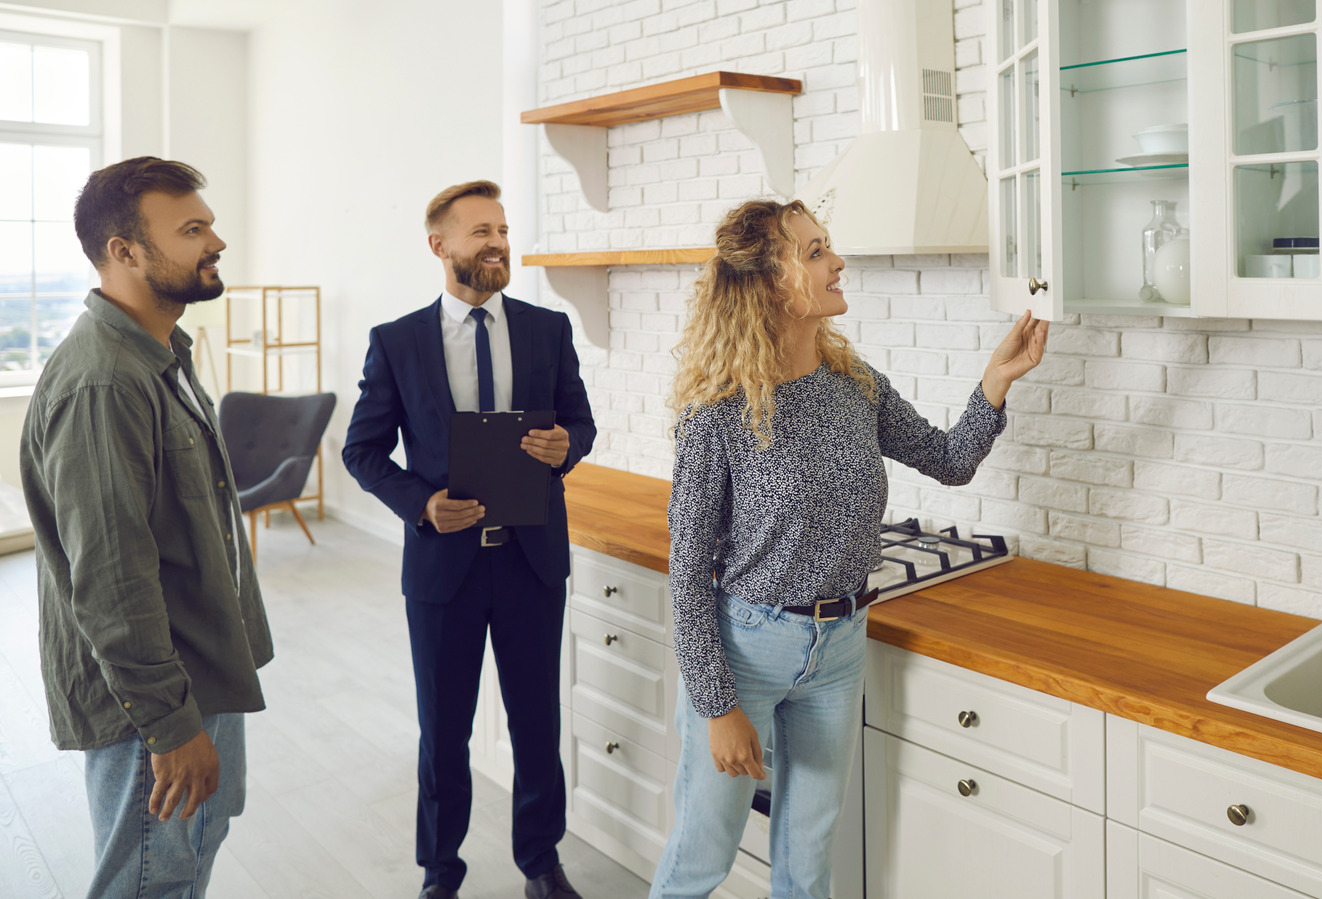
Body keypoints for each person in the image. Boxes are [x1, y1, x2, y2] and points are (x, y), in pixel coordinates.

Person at [650, 199, 1048, 899]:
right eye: (814, 252)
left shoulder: (854, 383)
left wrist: (995, 383)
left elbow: (949, 459)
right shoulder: (717, 411)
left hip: (840, 646)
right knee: (700, 856)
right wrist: (717, 706)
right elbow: (685, 576)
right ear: (771, 283)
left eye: (828, 247)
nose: (837, 263)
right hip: (746, 649)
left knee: (806, 863)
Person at [20, 156, 273, 897]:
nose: (216, 241)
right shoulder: (105, 381)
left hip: (200, 665)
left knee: (189, 851)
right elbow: (113, 581)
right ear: (123, 251)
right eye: (192, 229)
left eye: (209, 224)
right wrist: (169, 724)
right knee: (150, 878)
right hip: (156, 698)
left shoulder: (159, 354)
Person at [343, 180, 596, 899]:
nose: (497, 242)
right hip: (443, 566)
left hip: (531, 562)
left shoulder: (549, 331)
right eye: (481, 231)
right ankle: (440, 870)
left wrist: (563, 446)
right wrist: (420, 503)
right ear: (440, 245)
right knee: (444, 731)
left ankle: (540, 863)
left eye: (503, 230)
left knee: (536, 723)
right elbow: (361, 452)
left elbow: (582, 424)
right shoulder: (396, 342)